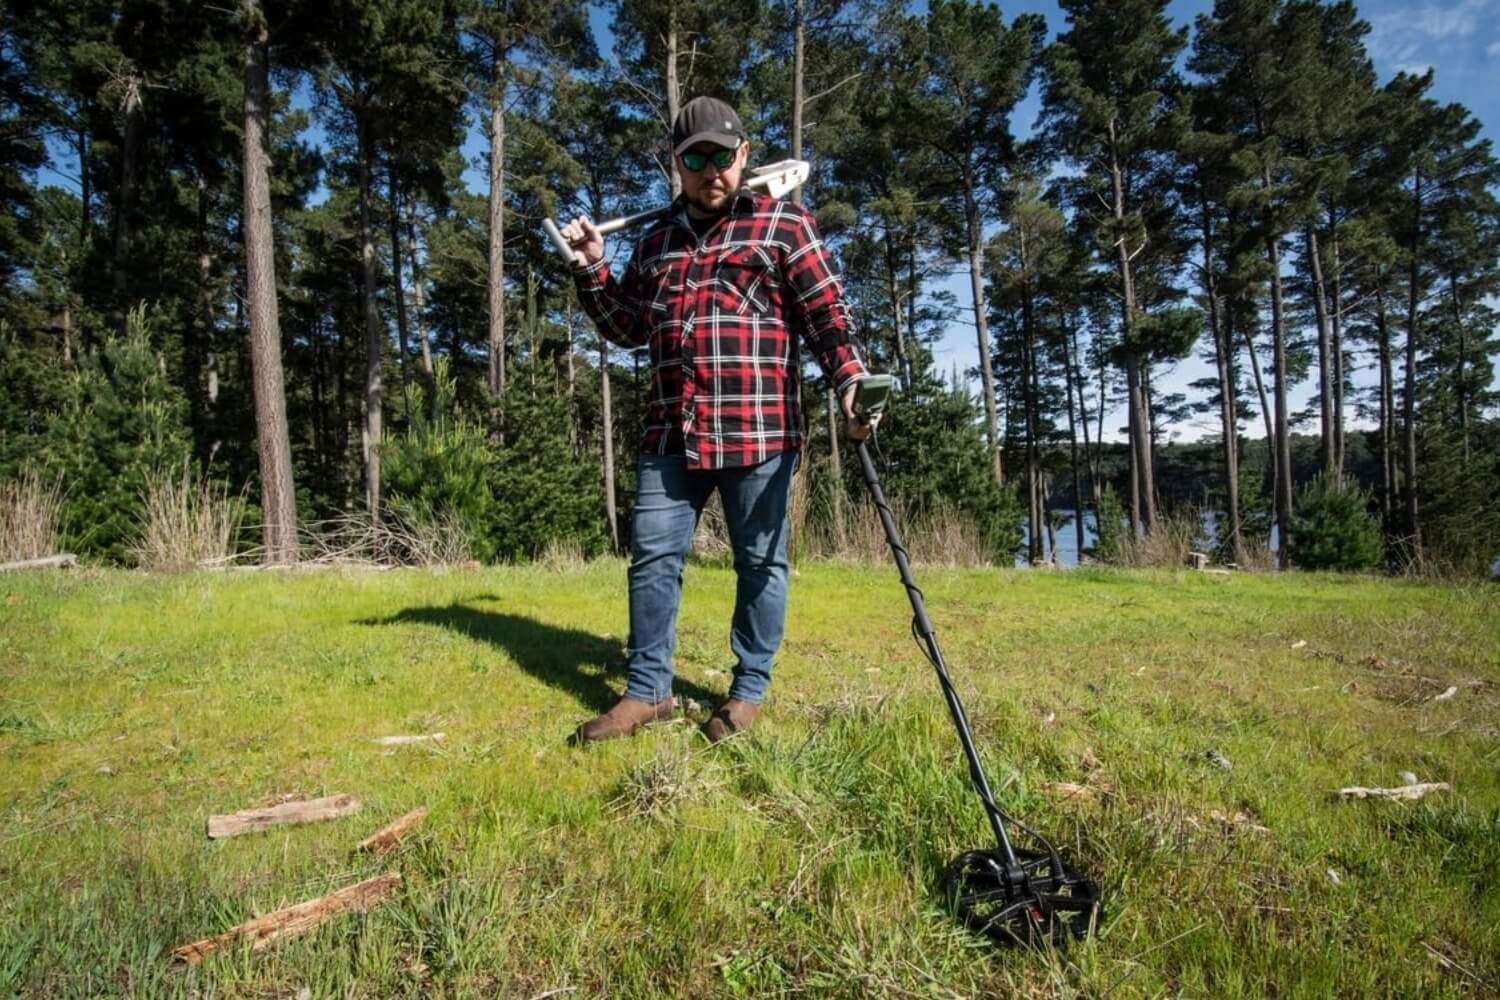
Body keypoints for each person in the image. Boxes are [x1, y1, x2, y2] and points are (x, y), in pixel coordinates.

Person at [558, 95, 880, 745]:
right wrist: (594, 267)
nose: (712, 171)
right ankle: (648, 691)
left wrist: (849, 378)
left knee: (761, 564)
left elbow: (826, 318)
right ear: (675, 164)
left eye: (723, 156)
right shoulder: (654, 240)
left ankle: (747, 692)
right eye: (695, 158)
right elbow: (626, 327)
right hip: (671, 430)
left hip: (760, 432)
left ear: (744, 156)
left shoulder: (784, 227)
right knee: (651, 559)